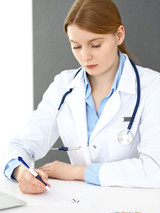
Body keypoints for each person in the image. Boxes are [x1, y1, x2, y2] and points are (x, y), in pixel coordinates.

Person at [3, 0, 160, 194]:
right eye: (76, 46)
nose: (85, 57)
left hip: (134, 208)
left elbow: (155, 169)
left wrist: (77, 172)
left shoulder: (152, 87)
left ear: (119, 35)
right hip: (79, 205)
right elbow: (20, 144)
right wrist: (21, 173)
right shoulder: (64, 86)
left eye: (95, 45)